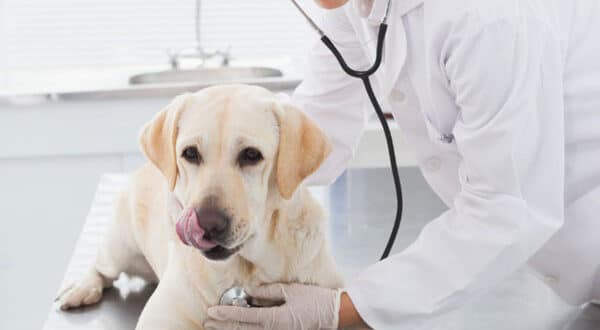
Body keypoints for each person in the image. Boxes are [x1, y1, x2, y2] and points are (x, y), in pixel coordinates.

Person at [206, 0, 600, 329]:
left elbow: (505, 207)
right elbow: (316, 134)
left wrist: (341, 309)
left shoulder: (487, 17)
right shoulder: (355, 9)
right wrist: (215, 184)